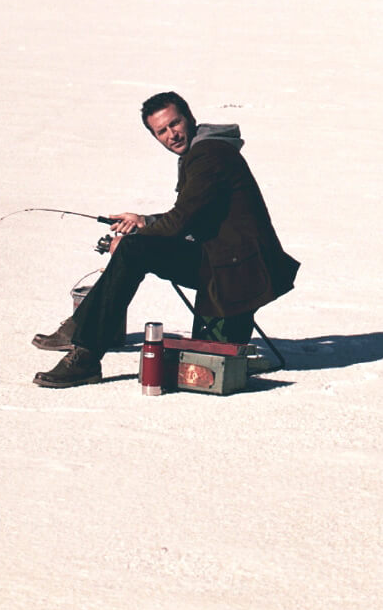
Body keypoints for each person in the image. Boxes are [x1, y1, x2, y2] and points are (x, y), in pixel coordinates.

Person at [33, 91, 299, 388]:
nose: (172, 135)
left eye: (175, 124)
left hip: (240, 271)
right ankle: (81, 333)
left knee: (133, 250)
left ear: (190, 118)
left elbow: (182, 220)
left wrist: (138, 238)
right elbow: (195, 213)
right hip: (224, 261)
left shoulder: (209, 154)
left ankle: (84, 350)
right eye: (162, 131)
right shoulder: (201, 152)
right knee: (135, 248)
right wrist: (145, 222)